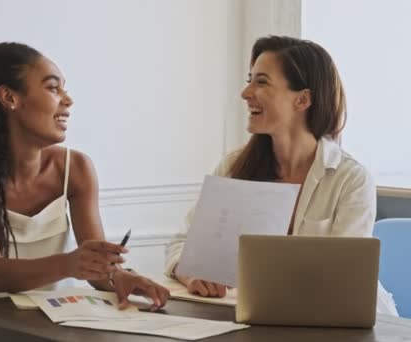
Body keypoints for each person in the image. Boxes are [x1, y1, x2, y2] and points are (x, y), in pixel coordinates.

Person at [0, 42, 169, 310]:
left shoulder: (76, 169)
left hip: (52, 328)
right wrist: (69, 264)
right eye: (53, 88)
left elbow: (95, 263)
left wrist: (119, 276)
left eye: (64, 88)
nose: (68, 100)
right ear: (10, 98)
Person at [164, 35, 398, 315]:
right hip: (258, 318)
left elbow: (344, 279)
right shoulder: (233, 166)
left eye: (261, 82)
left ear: (303, 99)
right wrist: (191, 273)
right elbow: (181, 244)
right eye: (249, 79)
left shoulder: (350, 179)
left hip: (341, 322)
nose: (246, 92)